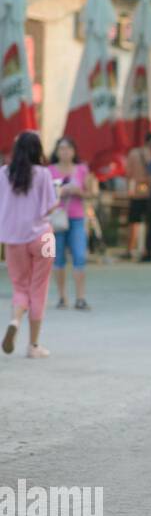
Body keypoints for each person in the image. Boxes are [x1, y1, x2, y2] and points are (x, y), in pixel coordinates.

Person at [0, 131, 60, 358]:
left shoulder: (3, 173)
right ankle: (33, 345)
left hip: (13, 239)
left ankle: (15, 320)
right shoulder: (44, 174)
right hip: (43, 237)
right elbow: (49, 207)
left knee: (20, 287)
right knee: (39, 288)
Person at [48, 136, 97, 310]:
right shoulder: (50, 171)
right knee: (57, 258)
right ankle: (62, 297)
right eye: (61, 148)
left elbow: (92, 193)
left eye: (68, 148)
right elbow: (44, 196)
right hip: (57, 218)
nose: (65, 151)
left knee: (79, 256)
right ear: (56, 151)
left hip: (77, 217)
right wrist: (59, 193)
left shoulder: (82, 169)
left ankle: (80, 297)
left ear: (74, 151)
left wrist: (79, 191)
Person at [121, 145, 149, 260]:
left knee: (133, 222)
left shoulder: (133, 153)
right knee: (149, 224)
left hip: (136, 193)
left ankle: (130, 249)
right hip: (150, 193)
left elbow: (128, 174)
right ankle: (146, 250)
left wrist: (129, 189)